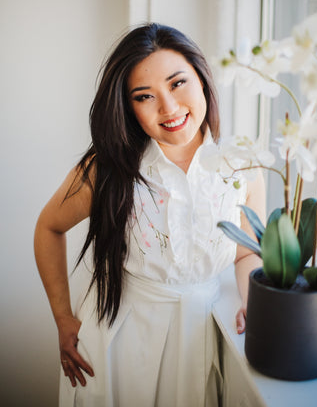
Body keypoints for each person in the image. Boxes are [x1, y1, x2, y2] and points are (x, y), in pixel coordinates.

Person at [34, 23, 265, 406]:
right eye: (145, 96)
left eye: (178, 83)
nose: (169, 108)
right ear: (129, 108)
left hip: (202, 337)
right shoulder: (106, 169)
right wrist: (62, 317)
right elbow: (49, 227)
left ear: (202, 79)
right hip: (118, 342)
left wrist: (252, 304)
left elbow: (246, 251)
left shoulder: (243, 164)